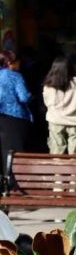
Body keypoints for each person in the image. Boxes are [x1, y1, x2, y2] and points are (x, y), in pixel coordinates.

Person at [42, 55, 76, 154]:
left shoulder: (48, 84)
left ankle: (58, 169)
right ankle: (74, 169)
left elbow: (47, 103)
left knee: (56, 152)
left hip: (55, 121)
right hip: (75, 122)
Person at [0, 50, 33, 188]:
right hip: (15, 117)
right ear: (10, 62)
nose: (19, 64)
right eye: (17, 61)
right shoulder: (15, 76)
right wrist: (31, 95)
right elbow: (24, 97)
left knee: (3, 151)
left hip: (1, 117)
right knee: (16, 152)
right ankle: (17, 185)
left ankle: (3, 185)